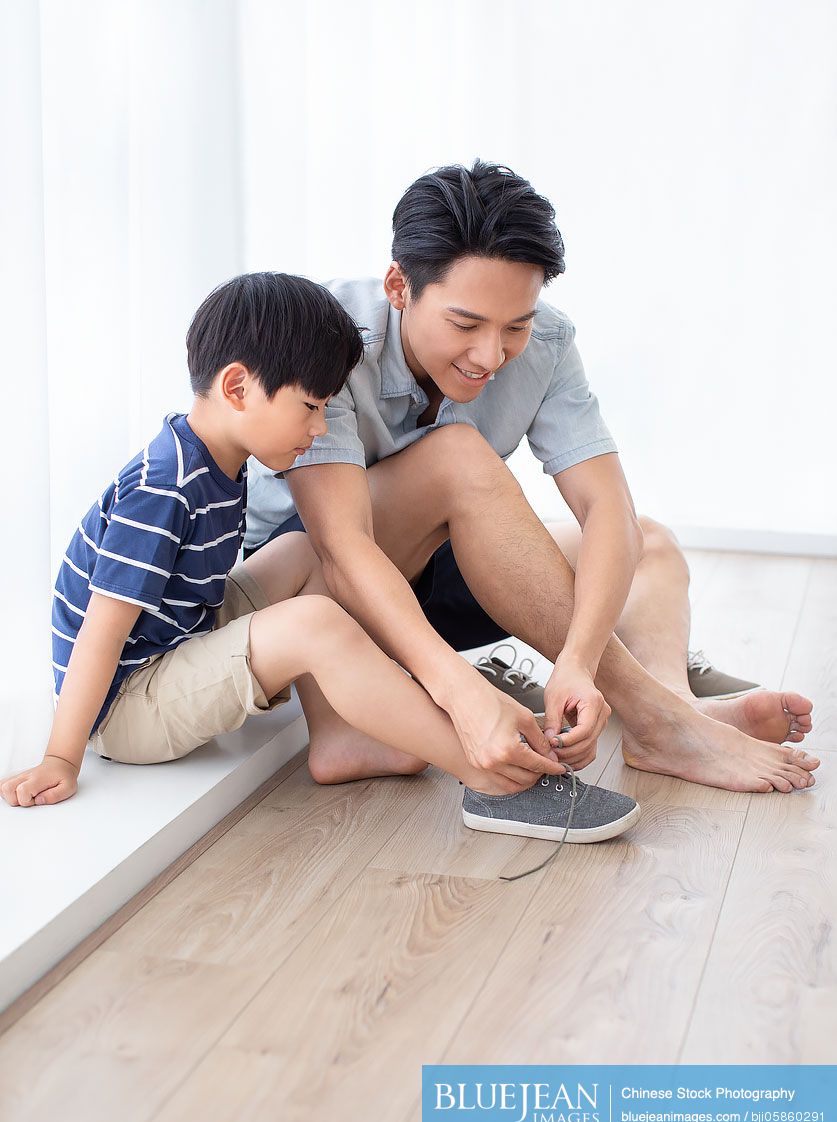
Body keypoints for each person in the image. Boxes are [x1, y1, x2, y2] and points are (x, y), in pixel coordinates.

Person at [0, 271, 644, 850]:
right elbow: (101, 631)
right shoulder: (162, 488)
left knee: (316, 543)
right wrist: (62, 756)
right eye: (309, 408)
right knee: (314, 623)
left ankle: (345, 734)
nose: (317, 431)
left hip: (180, 636)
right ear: (237, 387)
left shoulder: (211, 460)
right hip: (127, 705)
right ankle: (491, 773)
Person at [243, 161, 818, 795]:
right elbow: (343, 548)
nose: (490, 356)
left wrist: (575, 662)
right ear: (400, 286)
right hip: (322, 589)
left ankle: (672, 708)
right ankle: (659, 717)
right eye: (465, 325)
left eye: (514, 325)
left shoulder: (546, 343)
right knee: (456, 455)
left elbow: (606, 509)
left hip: (438, 578)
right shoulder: (330, 337)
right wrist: (461, 697)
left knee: (648, 541)